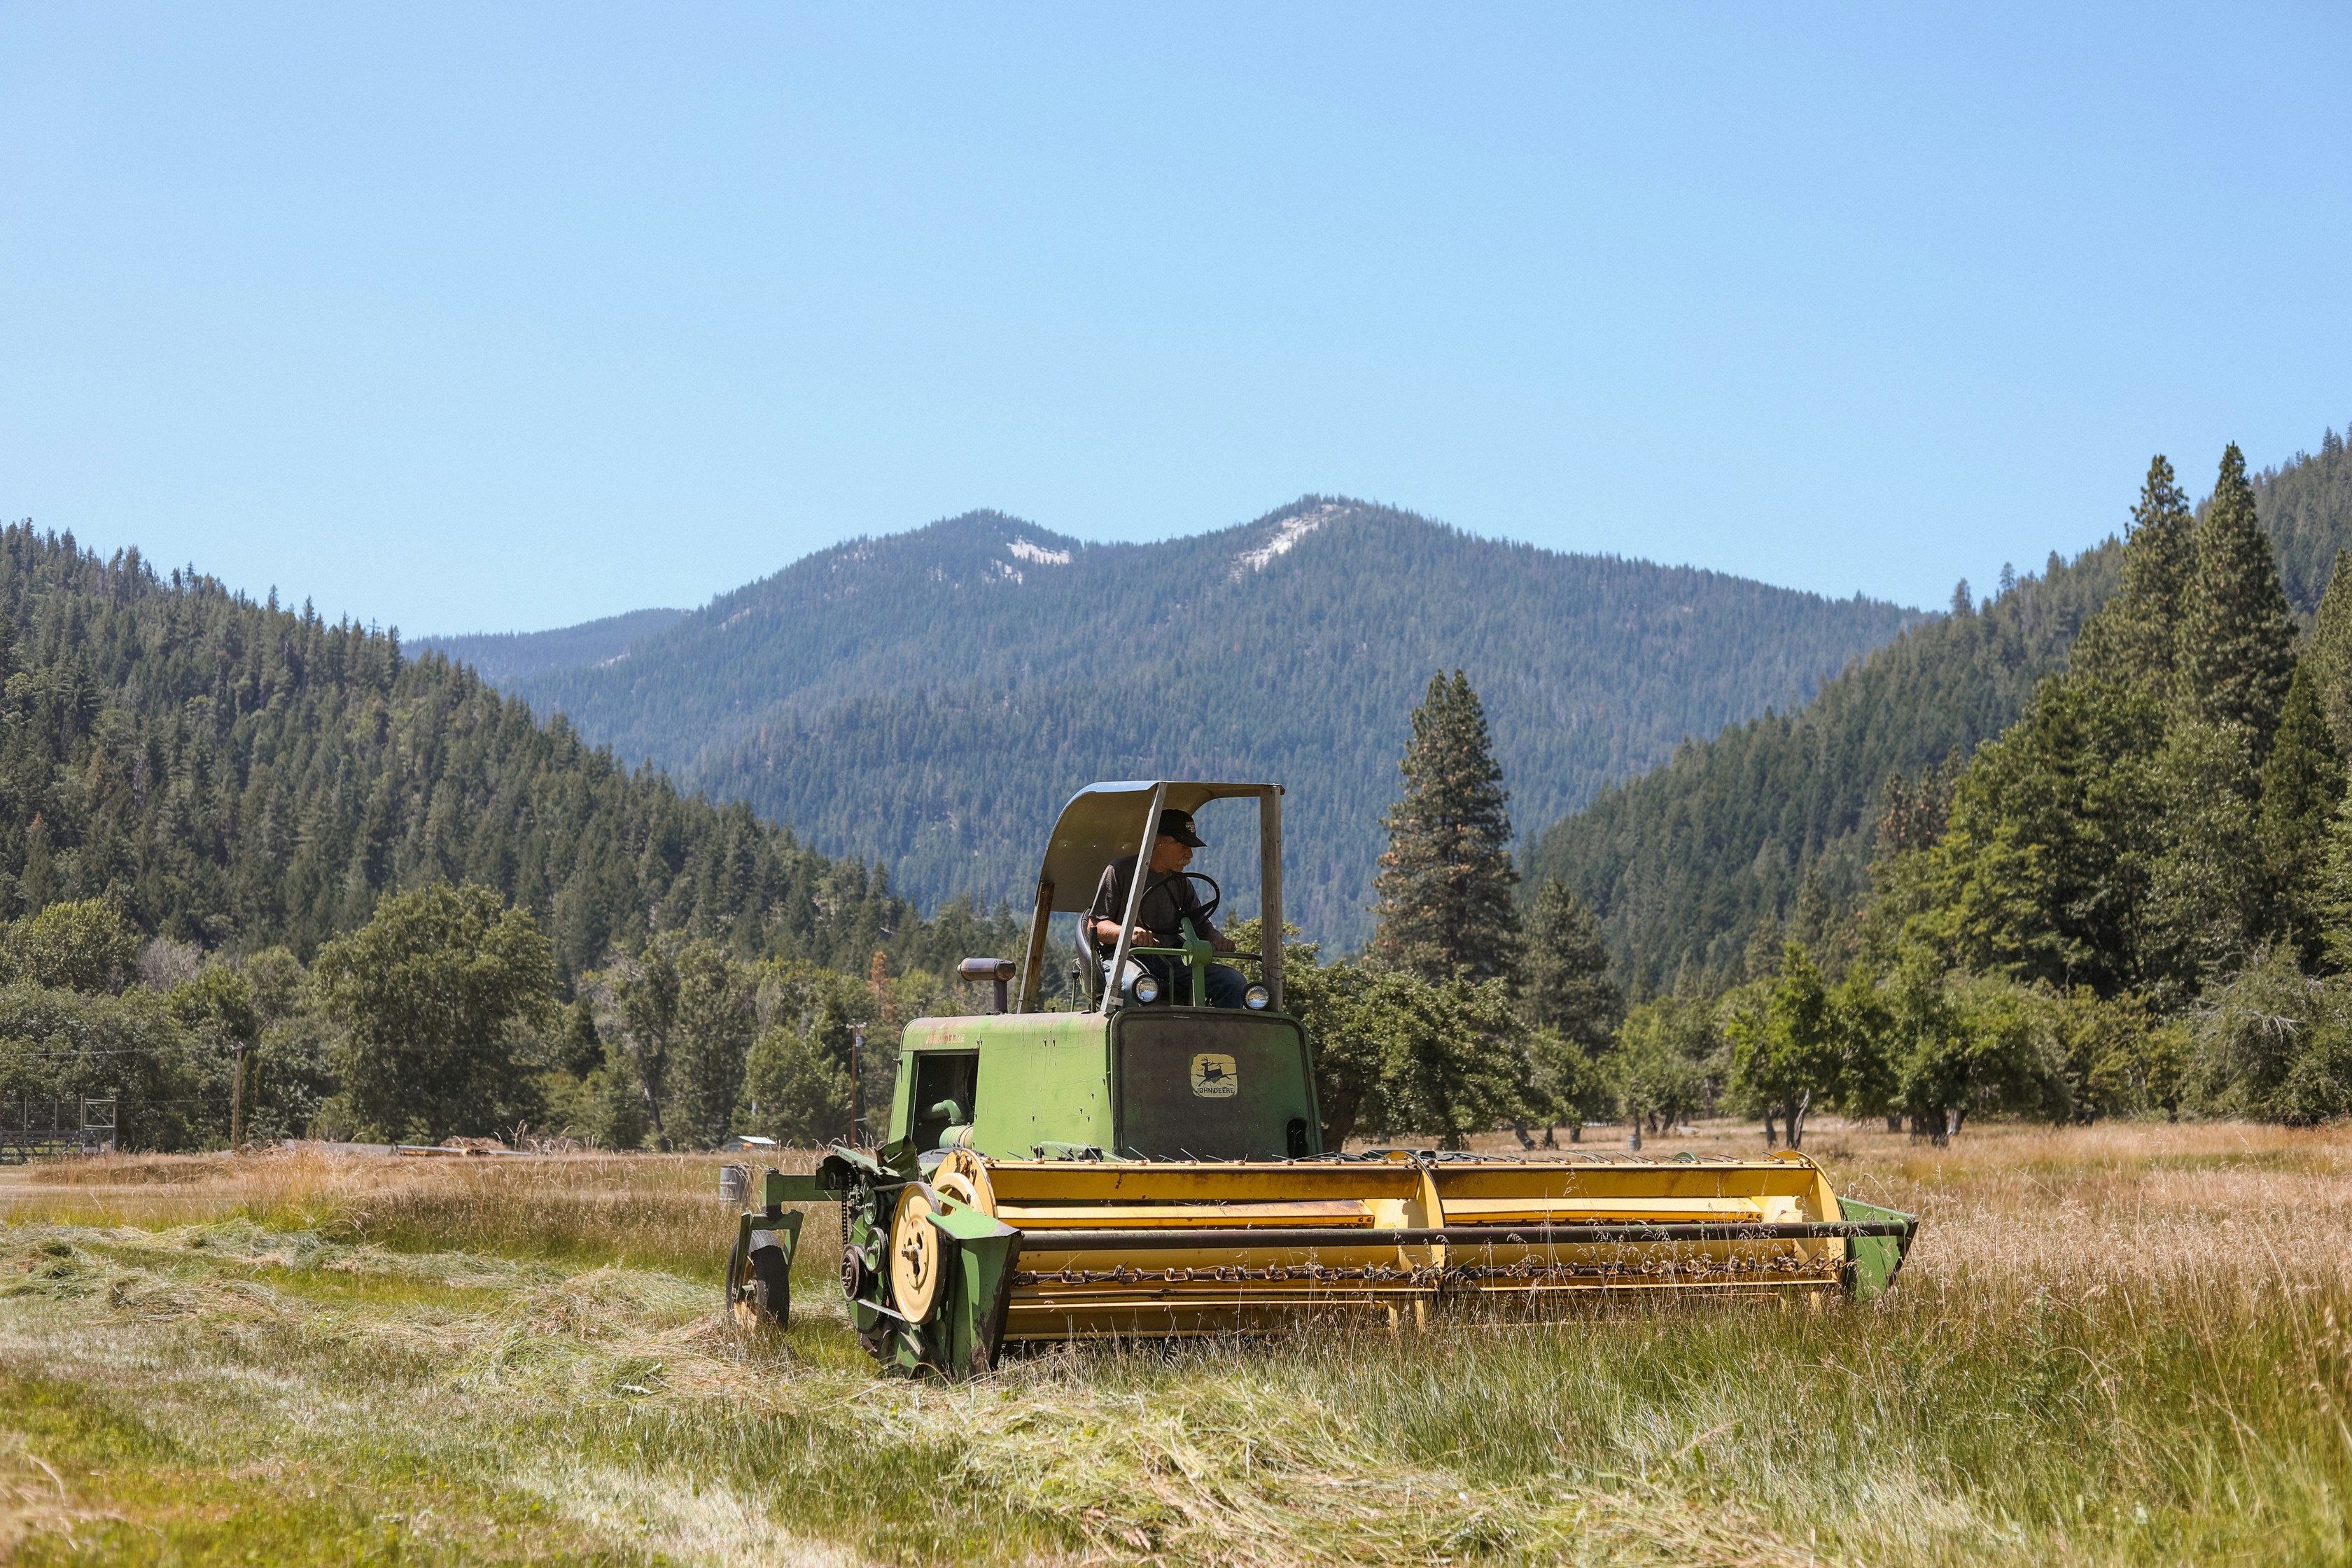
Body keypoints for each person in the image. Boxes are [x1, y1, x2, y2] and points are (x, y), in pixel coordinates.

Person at [1089, 808, 1249, 1008]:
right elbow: (1095, 926)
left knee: (1233, 983)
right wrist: (1128, 932)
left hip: (1171, 960)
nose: (1189, 855)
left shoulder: (1181, 883)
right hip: (1124, 957)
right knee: (1134, 985)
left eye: (1190, 848)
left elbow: (1202, 927)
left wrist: (1217, 939)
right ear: (1158, 842)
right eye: (1183, 846)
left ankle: (1215, 1037)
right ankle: (1135, 1038)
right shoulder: (1120, 871)